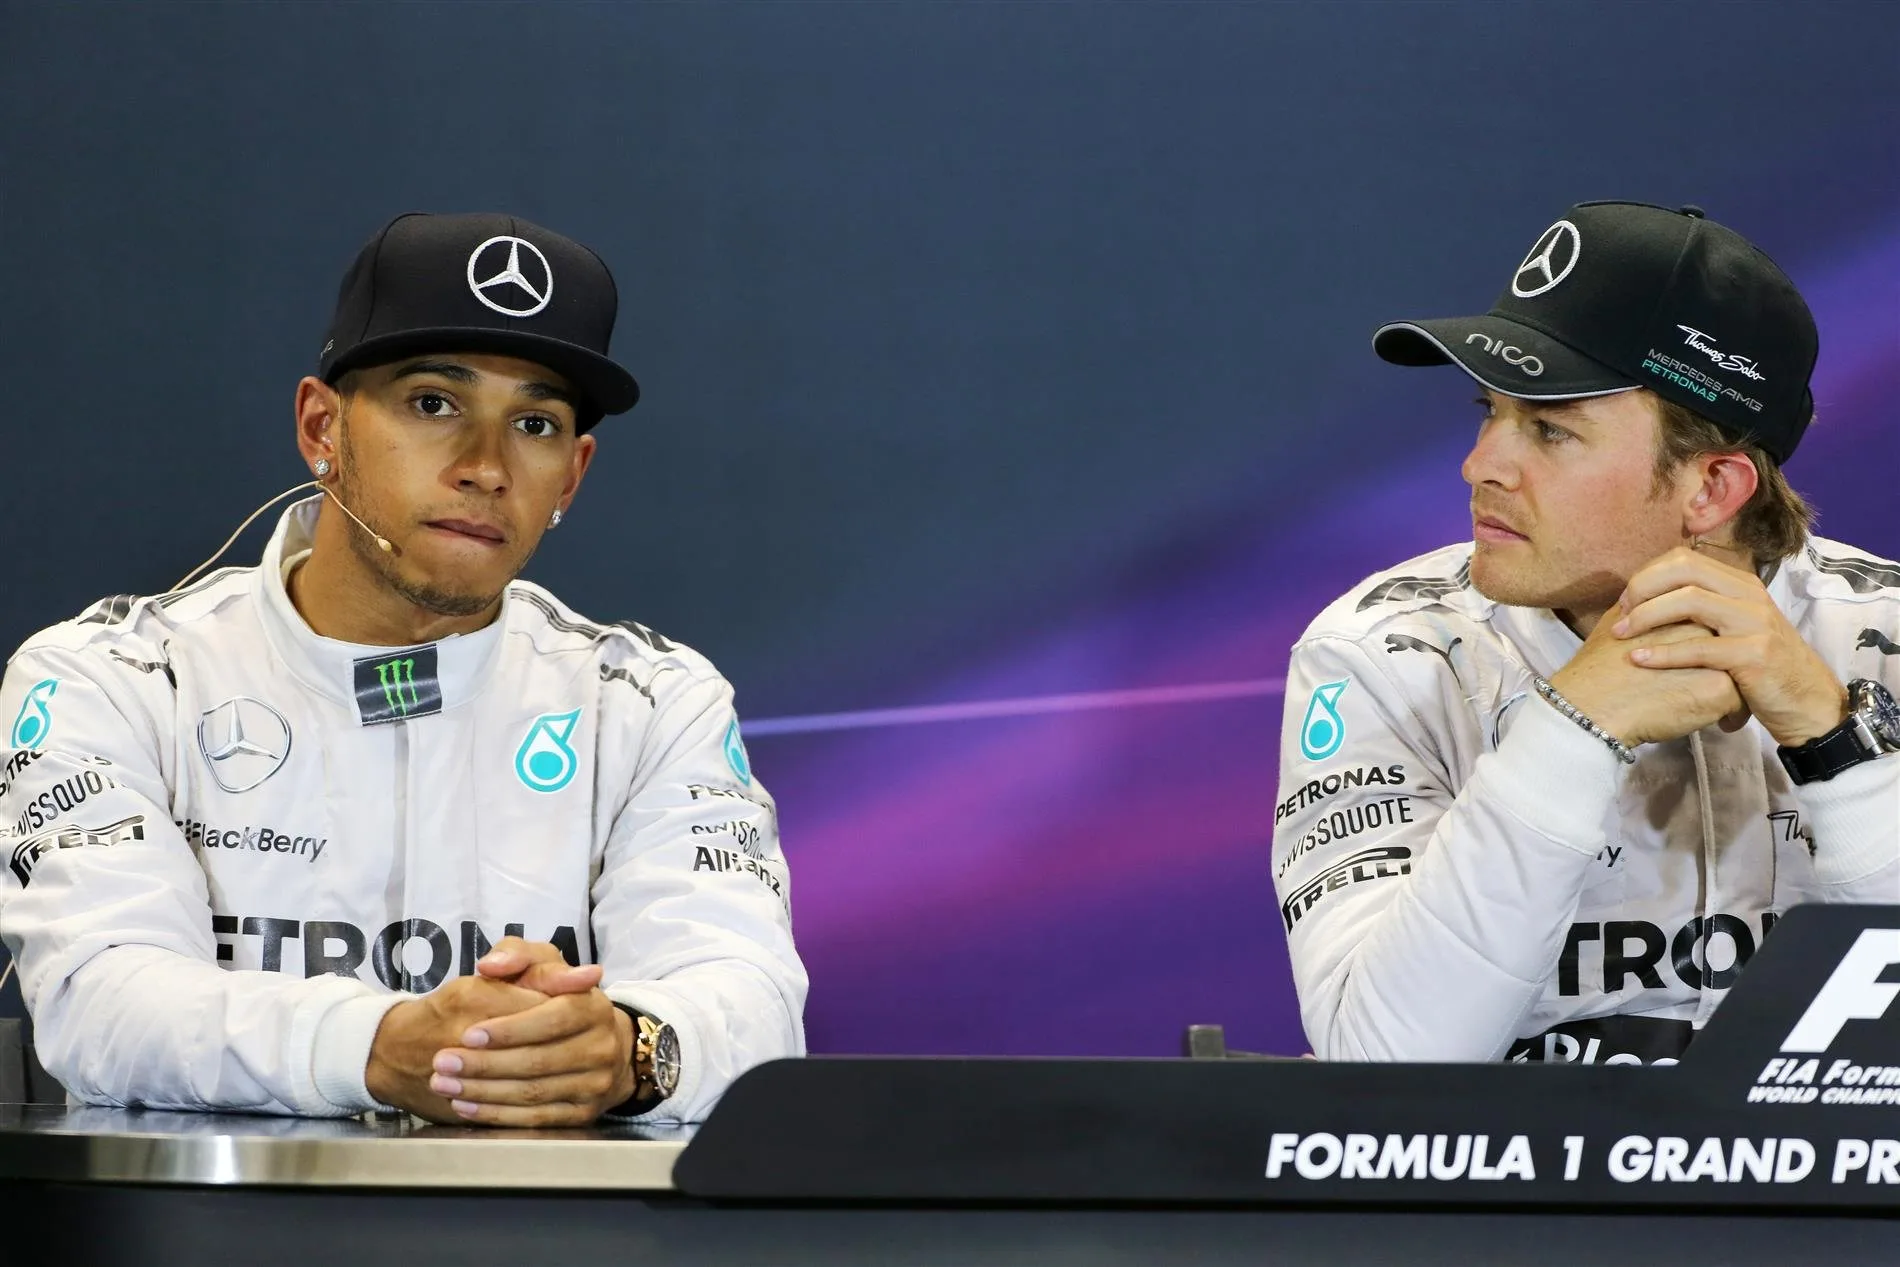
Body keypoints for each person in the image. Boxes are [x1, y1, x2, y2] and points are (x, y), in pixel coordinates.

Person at [0, 212, 807, 1124]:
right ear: (322, 427)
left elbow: (753, 1002)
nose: (486, 467)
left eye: (534, 422)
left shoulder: (655, 703)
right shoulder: (111, 678)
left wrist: (628, 1047)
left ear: (572, 477)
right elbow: (101, 1000)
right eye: (433, 403)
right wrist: (381, 1047)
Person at [1272, 200, 1899, 1064]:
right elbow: (1385, 1065)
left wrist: (1838, 748)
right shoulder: (1387, 653)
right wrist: (1570, 729)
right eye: (1488, 411)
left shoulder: (1883, 638)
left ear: (1712, 487)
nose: (1481, 463)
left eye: (1550, 428)